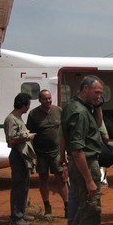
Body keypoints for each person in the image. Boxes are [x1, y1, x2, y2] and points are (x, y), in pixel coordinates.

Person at [57, 75, 113, 225]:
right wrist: (89, 180)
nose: (100, 96)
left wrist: (61, 156)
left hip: (81, 164)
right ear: (85, 89)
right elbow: (77, 149)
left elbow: (67, 136)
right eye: (97, 92)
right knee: (90, 212)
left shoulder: (75, 106)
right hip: (85, 165)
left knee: (83, 211)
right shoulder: (80, 113)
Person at [27, 90, 69, 218]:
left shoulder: (58, 111)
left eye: (49, 98)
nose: (48, 101)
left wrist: (65, 151)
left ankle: (67, 207)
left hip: (56, 152)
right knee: (43, 179)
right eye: (45, 99)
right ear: (40, 100)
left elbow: (65, 130)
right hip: (41, 154)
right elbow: (29, 133)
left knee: (61, 179)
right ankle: (47, 207)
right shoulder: (33, 114)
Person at [3, 93, 37, 225]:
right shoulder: (11, 119)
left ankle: (21, 213)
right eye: (28, 104)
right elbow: (11, 140)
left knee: (24, 185)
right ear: (23, 105)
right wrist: (27, 137)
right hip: (17, 155)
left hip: (22, 156)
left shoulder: (18, 118)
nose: (28, 107)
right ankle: (16, 217)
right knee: (18, 186)